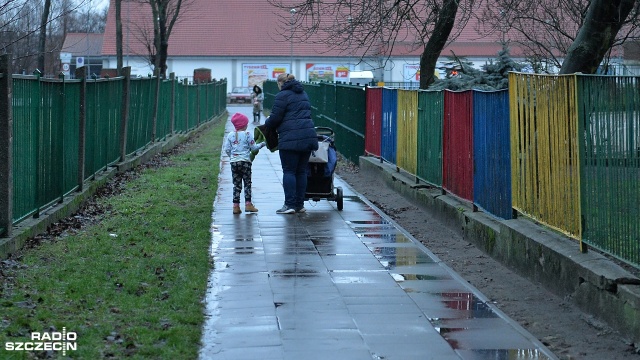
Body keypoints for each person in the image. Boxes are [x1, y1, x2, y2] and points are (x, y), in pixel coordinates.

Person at [265, 73, 318, 214]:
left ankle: (289, 205)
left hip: (290, 139)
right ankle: (299, 204)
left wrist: (267, 122)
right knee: (301, 172)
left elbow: (275, 118)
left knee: (289, 171)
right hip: (307, 137)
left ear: (280, 83)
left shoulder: (282, 95)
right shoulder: (303, 94)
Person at [223, 113, 265, 214]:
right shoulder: (247, 135)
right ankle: (248, 205)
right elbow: (254, 148)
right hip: (245, 162)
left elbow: (227, 149)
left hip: (234, 163)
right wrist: (262, 144)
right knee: (247, 183)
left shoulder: (230, 135)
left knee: (236, 184)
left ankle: (236, 206)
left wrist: (232, 157)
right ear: (244, 125)